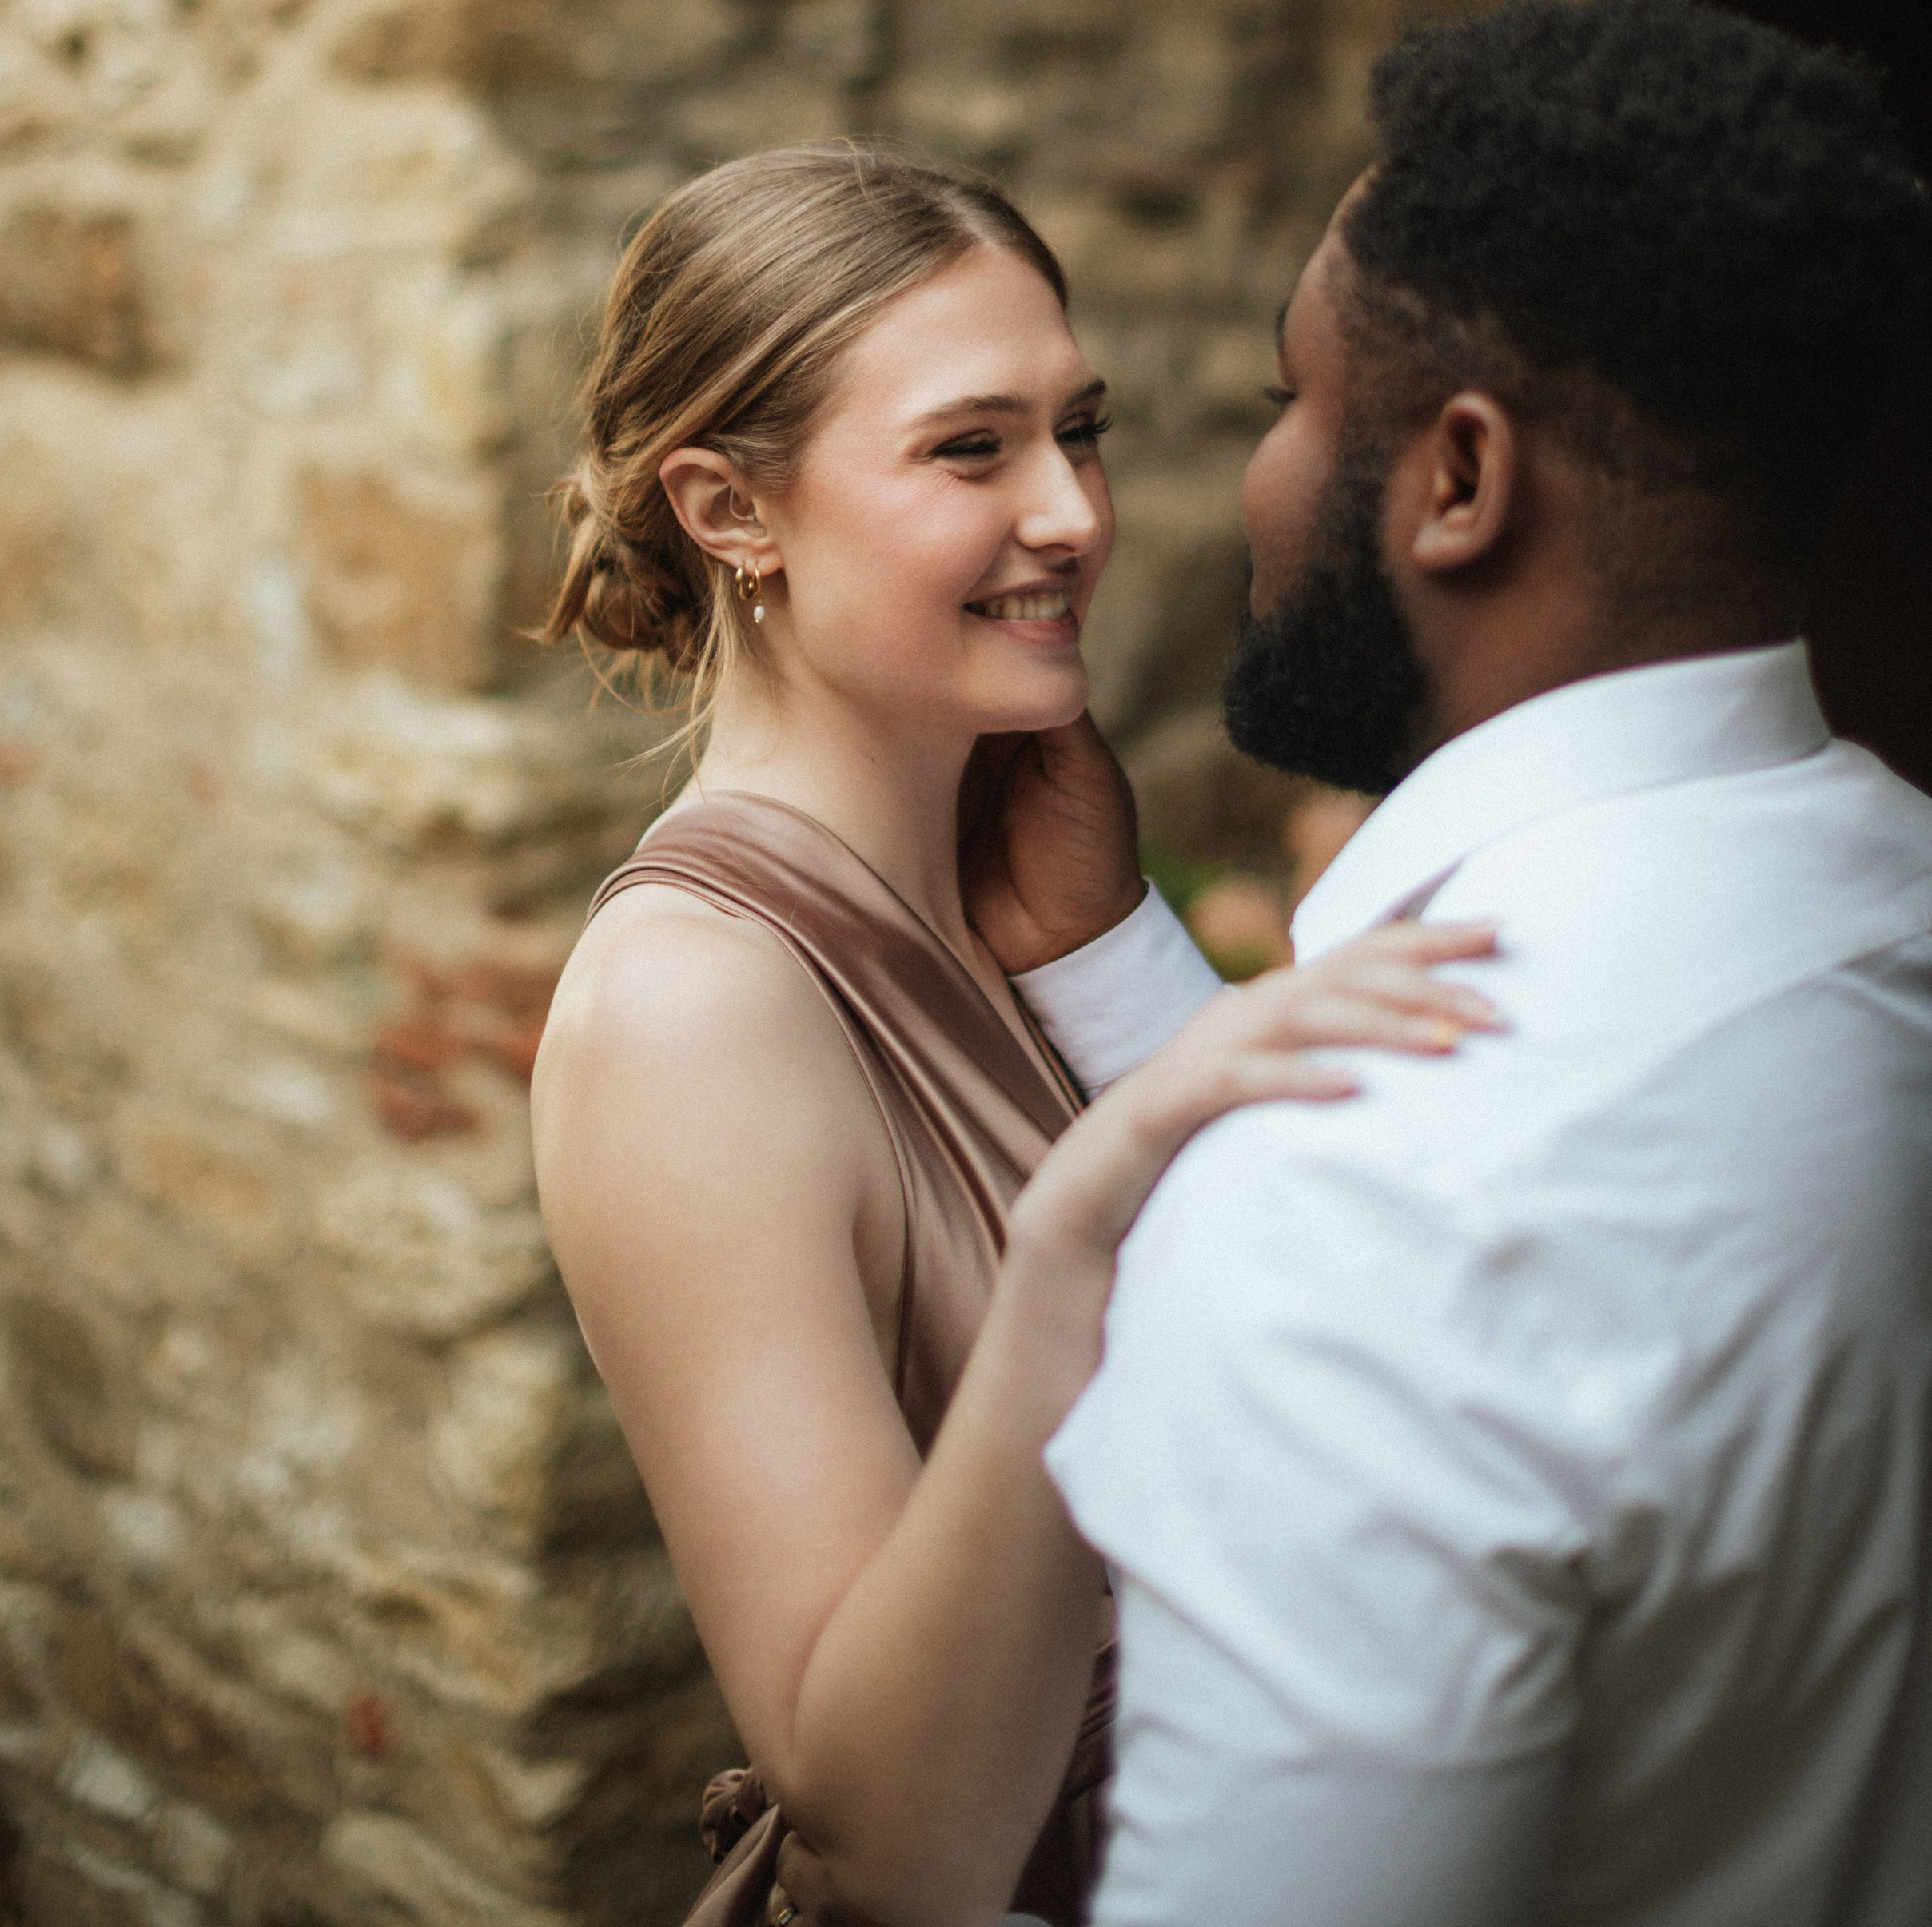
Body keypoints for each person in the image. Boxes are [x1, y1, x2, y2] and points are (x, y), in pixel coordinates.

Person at [1021, 0, 1932, 1926]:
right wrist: (1112, 965)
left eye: (1282, 402)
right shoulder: (1889, 904)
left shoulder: (1367, 1201)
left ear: (1456, 480)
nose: (1242, 480)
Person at [526, 148, 1499, 1927]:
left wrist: (1112, 951)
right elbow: (890, 1841)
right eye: (971, 449)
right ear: (729, 510)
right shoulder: (692, 1008)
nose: (1071, 513)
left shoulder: (1020, 897)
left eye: (1081, 430)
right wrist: (1076, 1243)